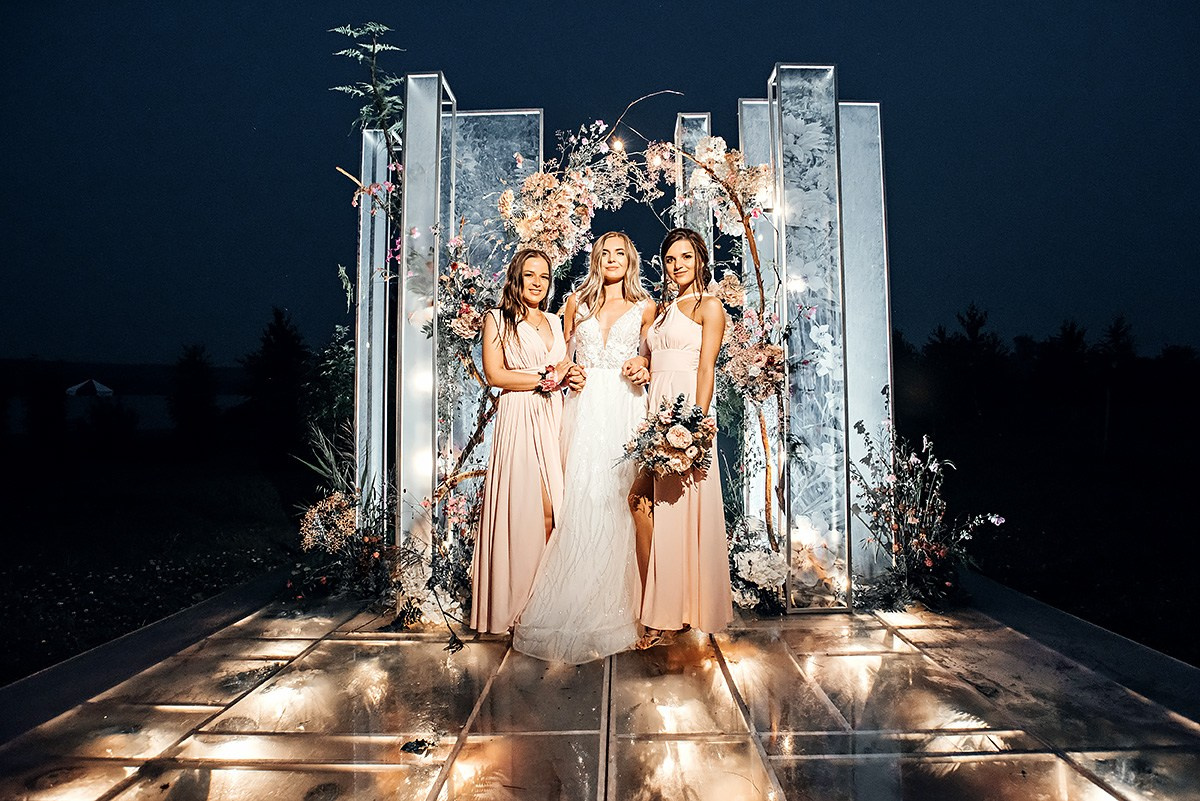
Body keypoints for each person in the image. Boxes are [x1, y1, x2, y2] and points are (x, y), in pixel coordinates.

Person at [514, 232, 652, 663]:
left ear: (630, 260)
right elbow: (560, 356)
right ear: (595, 260)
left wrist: (644, 363)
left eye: (619, 253)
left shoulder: (647, 308)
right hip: (585, 408)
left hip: (627, 408)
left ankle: (631, 605)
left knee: (621, 500)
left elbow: (655, 357)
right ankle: (575, 595)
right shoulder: (576, 303)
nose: (611, 259)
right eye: (604, 253)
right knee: (582, 498)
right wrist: (569, 370)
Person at [470, 249, 584, 634]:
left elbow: (563, 367)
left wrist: (570, 375)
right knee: (524, 511)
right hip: (518, 415)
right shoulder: (497, 318)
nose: (537, 282)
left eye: (544, 276)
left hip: (553, 415)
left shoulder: (554, 320)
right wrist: (545, 379)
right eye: (530, 275)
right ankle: (515, 606)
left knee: (555, 510)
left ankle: (546, 603)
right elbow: (495, 375)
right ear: (516, 278)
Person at [630, 228, 733, 648]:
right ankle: (665, 608)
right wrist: (639, 366)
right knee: (643, 504)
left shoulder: (710, 306)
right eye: (671, 259)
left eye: (686, 257)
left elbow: (706, 368)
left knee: (675, 515)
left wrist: (695, 425)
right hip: (655, 413)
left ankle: (670, 617)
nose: (677, 266)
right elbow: (653, 360)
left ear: (700, 259)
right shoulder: (663, 309)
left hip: (684, 415)